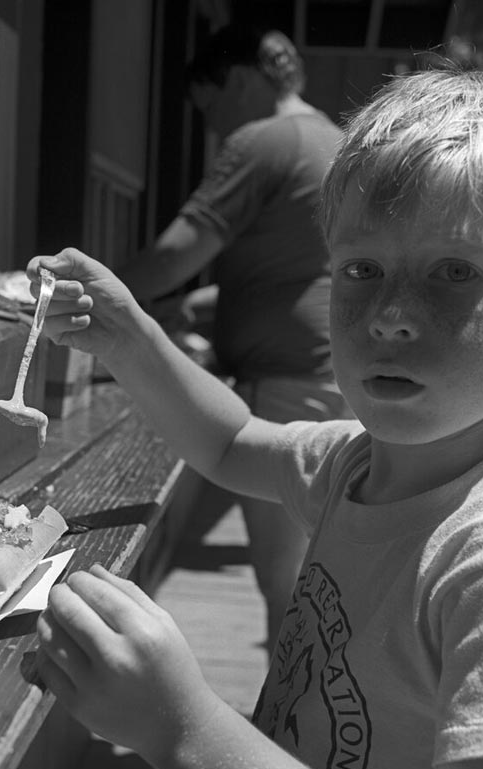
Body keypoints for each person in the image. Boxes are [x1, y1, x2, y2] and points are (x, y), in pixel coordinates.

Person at [31, 68, 483, 769]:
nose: (391, 312)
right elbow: (232, 440)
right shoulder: (354, 463)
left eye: (454, 272)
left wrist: (184, 728)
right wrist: (130, 334)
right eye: (360, 269)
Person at [116, 24, 349, 653]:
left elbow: (171, 259)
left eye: (210, 106)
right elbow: (305, 274)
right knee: (320, 578)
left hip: (290, 387)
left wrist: (83, 291)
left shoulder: (264, 139)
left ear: (242, 80)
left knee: (287, 585)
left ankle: (288, 736)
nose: (215, 128)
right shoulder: (335, 140)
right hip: (338, 382)